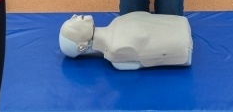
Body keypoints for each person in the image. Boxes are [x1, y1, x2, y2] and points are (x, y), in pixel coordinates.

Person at [59, 13, 193, 70]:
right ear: (81, 47)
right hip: (183, 46)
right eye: (71, 25)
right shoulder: (116, 50)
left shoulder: (116, 23)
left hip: (180, 28)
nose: (74, 16)